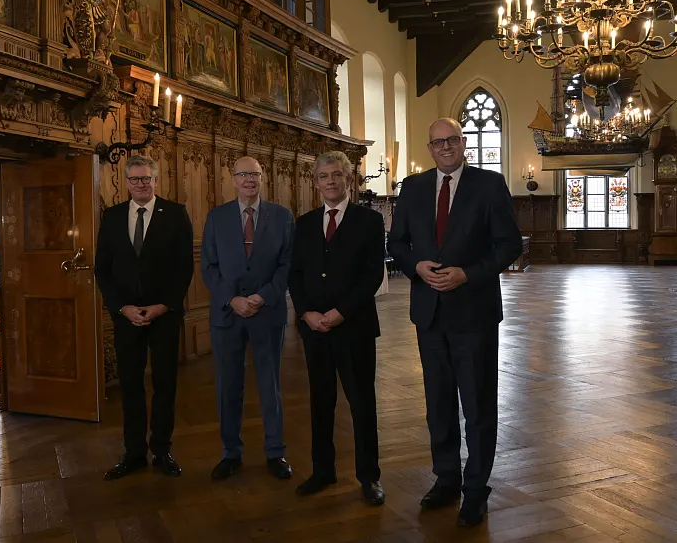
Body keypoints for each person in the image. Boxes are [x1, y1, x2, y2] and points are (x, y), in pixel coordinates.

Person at [387, 118, 522, 526]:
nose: (445, 147)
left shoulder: (489, 184)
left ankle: (476, 490)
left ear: (463, 143)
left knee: (478, 404)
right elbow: (396, 243)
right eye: (437, 142)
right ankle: (446, 478)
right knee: (438, 403)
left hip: (474, 311)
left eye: (452, 140)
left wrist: (469, 273)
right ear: (429, 148)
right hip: (429, 312)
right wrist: (416, 266)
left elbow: (509, 244)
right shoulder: (412, 187)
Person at [288, 151, 386, 506]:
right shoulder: (305, 223)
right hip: (315, 329)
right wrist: (306, 314)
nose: (330, 181)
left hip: (354, 327)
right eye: (323, 176)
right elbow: (295, 274)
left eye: (336, 175)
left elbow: (372, 275)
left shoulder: (369, 221)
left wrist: (341, 312)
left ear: (349, 179)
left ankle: (369, 476)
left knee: (361, 404)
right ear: (315, 182)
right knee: (321, 401)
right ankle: (322, 470)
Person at [94, 154, 193, 481]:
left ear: (155, 180)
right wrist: (121, 307)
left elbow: (184, 268)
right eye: (135, 179)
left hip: (163, 314)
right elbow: (103, 270)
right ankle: (134, 452)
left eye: (146, 179)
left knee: (165, 383)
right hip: (126, 316)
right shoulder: (112, 216)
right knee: (131, 385)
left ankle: (162, 449)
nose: (141, 184)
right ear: (126, 181)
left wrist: (164, 305)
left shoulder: (175, 214)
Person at [201, 156, 294, 481]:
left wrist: (262, 297)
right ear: (233, 179)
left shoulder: (282, 217)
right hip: (228, 314)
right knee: (228, 386)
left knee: (270, 386)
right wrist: (233, 299)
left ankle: (275, 453)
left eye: (254, 174)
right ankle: (230, 453)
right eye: (243, 175)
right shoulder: (216, 217)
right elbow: (209, 267)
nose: (249, 180)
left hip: (267, 313)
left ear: (263, 177)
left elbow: (287, 265)